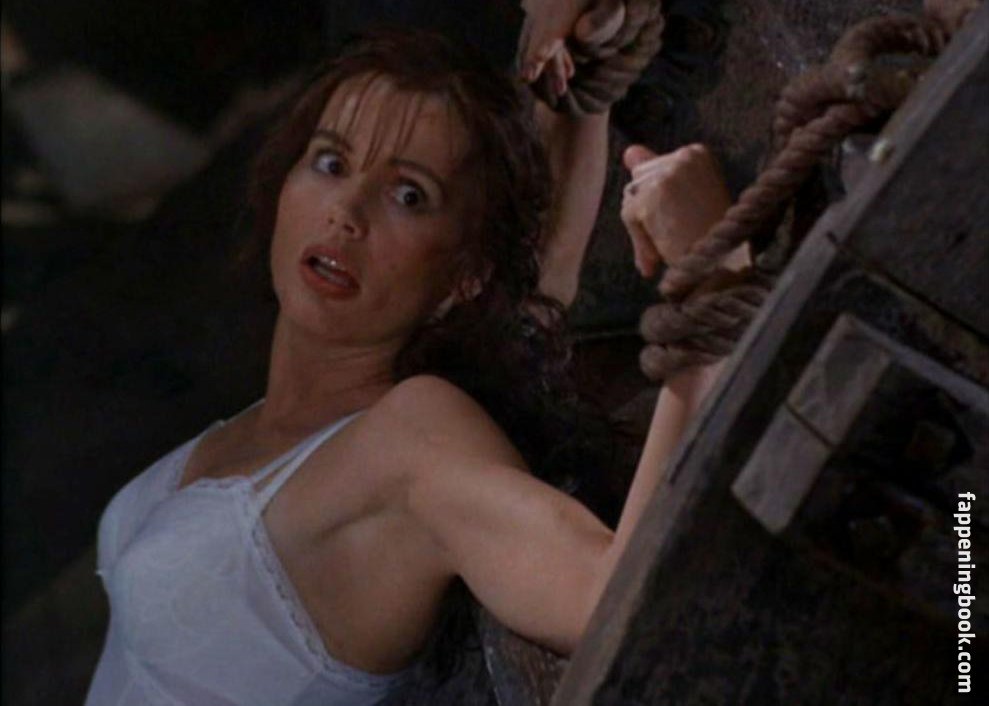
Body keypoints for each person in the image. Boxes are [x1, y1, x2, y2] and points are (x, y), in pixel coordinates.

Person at [86, 23, 748, 706]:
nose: (346, 212)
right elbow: (540, 282)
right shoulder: (287, 423)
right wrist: (578, 81)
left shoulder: (410, 444)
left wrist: (713, 281)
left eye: (408, 196)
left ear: (465, 277)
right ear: (284, 185)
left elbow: (618, 604)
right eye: (331, 163)